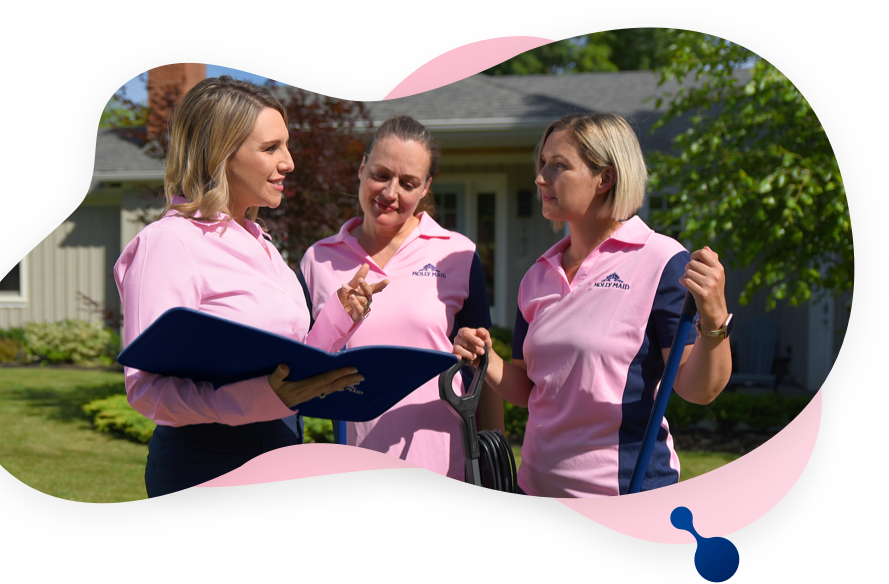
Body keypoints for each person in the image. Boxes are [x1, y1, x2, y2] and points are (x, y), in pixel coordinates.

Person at [113, 76, 389, 498]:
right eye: (270, 148)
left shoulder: (263, 244)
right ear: (221, 153)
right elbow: (146, 389)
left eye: (287, 145)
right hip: (207, 463)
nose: (289, 162)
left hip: (279, 448)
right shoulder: (168, 243)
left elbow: (290, 366)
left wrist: (339, 315)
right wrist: (258, 398)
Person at [452, 113, 733, 497]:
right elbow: (531, 390)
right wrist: (487, 359)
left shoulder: (661, 261)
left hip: (622, 495)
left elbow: (699, 390)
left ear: (605, 178)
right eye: (542, 164)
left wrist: (714, 318)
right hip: (534, 486)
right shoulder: (537, 276)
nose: (540, 178)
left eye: (559, 166)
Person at [299, 115, 505, 482]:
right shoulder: (318, 260)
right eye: (380, 174)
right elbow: (304, 366)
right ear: (362, 169)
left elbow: (482, 368)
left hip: (446, 463)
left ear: (426, 187)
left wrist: (495, 460)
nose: (390, 193)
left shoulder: (457, 255)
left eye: (408, 183)